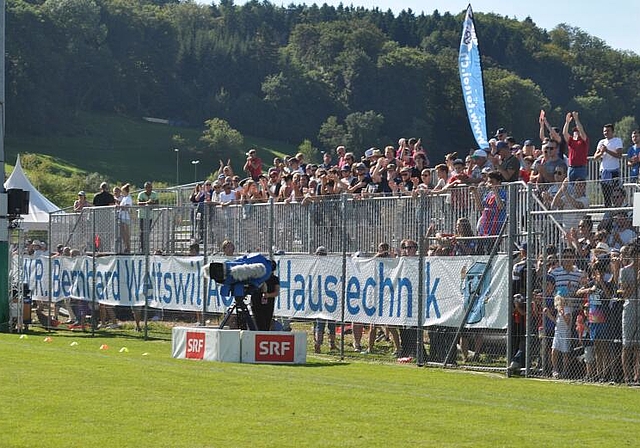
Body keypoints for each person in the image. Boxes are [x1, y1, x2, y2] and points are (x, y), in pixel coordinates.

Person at [619, 245, 640, 385]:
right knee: (627, 344)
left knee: (639, 345)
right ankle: (626, 376)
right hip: (630, 309)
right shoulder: (624, 271)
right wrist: (637, 281)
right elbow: (624, 294)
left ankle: (637, 376)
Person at [312, 246, 337, 353]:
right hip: (322, 299)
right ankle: (319, 344)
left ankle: (326, 344)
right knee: (321, 324)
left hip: (327, 298)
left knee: (324, 324)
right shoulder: (327, 266)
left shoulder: (316, 266)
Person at [594, 123, 623, 208]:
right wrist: (601, 152)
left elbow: (619, 155)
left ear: (612, 131)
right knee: (606, 195)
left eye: (608, 131)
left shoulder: (617, 140)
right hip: (604, 172)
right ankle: (608, 213)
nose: (606, 133)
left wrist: (607, 151)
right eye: (604, 131)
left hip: (614, 171)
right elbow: (595, 157)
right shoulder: (601, 142)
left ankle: (618, 212)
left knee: (617, 194)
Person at [250, 260, 280, 331]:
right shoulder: (259, 277)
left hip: (268, 304)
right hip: (257, 302)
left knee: (266, 324)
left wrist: (268, 295)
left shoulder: (274, 279)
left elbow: (276, 292)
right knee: (259, 323)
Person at [562, 111, 589, 181]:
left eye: (577, 131)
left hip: (581, 168)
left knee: (580, 188)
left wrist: (576, 120)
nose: (576, 132)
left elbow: (582, 131)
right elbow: (564, 133)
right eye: (574, 131)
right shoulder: (571, 140)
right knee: (571, 188)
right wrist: (567, 122)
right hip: (571, 168)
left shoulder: (584, 140)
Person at [137, 181, 159, 253]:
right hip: (142, 216)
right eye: (148, 187)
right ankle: (142, 248)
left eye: (150, 187)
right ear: (145, 188)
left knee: (148, 232)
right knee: (142, 232)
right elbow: (138, 203)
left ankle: (146, 247)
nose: (149, 189)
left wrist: (151, 203)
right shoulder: (141, 194)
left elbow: (157, 203)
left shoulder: (154, 194)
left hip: (149, 216)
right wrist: (147, 202)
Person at [118, 184, 132, 254]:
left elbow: (127, 207)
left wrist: (119, 207)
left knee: (126, 234)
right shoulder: (124, 198)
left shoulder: (128, 198)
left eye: (122, 191)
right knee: (123, 234)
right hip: (122, 217)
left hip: (125, 217)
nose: (121, 192)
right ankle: (126, 247)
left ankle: (128, 248)